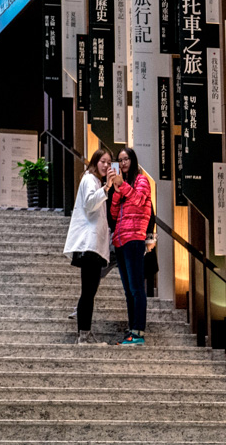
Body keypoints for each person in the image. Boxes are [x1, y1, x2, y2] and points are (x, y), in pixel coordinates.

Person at [62, 147, 112, 345]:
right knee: (88, 290)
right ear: (95, 162)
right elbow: (91, 204)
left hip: (94, 244)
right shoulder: (90, 179)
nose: (106, 165)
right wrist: (107, 187)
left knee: (90, 290)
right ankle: (83, 334)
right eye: (103, 162)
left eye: (109, 162)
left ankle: (85, 333)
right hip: (89, 245)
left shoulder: (95, 181)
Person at [108, 147, 155, 346]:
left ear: (133, 160)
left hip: (135, 238)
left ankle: (138, 332)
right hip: (120, 240)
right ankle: (132, 328)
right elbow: (113, 213)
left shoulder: (141, 180)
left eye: (126, 159)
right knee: (128, 289)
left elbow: (139, 201)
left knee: (136, 288)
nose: (123, 163)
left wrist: (123, 187)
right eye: (120, 160)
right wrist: (117, 190)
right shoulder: (124, 184)